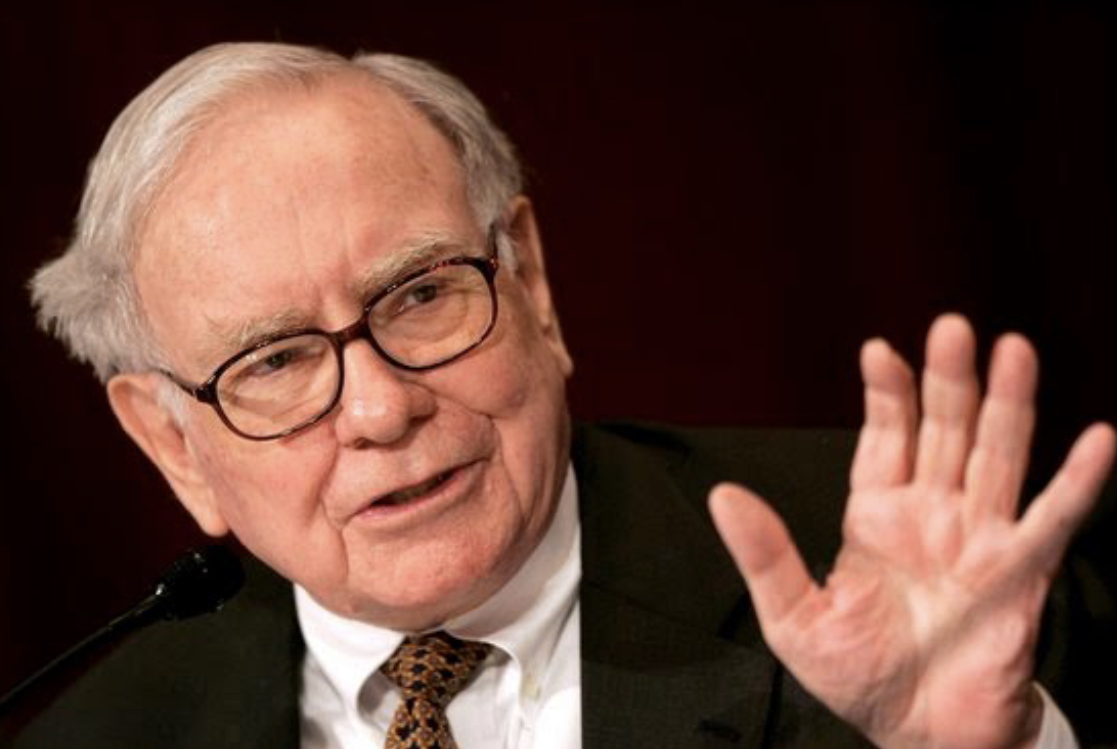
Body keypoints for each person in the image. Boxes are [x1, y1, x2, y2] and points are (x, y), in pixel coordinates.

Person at [13, 41, 1115, 748]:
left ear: (531, 282)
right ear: (173, 443)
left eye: (420, 293)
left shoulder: (916, 576)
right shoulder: (99, 735)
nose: (380, 410)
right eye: (274, 361)